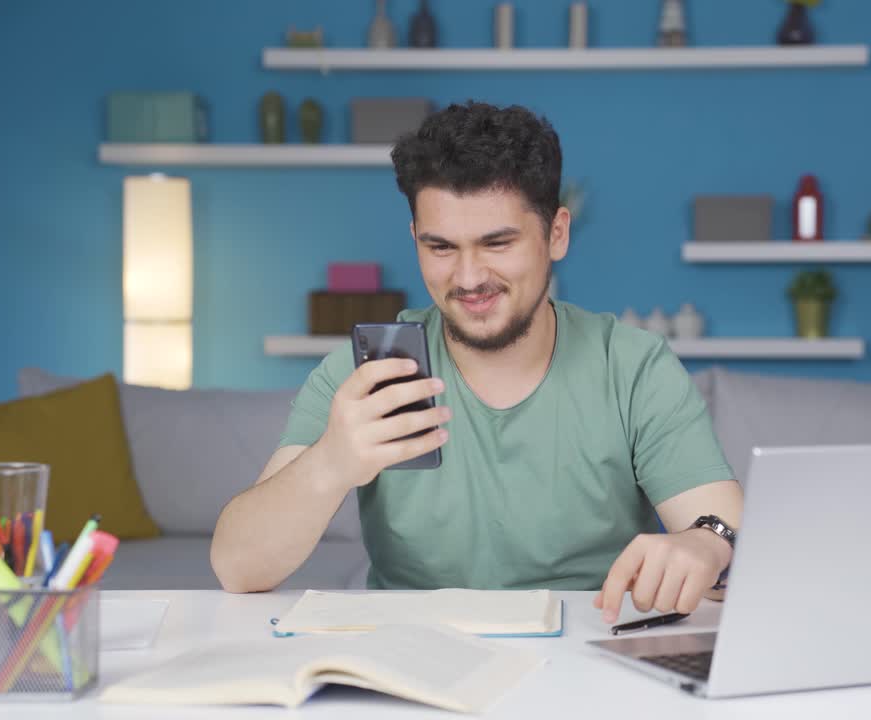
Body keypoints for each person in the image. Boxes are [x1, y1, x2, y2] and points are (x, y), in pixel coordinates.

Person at [211, 101, 743, 624]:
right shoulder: (362, 375)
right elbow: (238, 568)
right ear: (415, 238)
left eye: (497, 243)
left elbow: (732, 541)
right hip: (410, 658)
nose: (467, 278)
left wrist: (706, 545)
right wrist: (332, 461)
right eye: (441, 247)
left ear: (556, 234)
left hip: (591, 649)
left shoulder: (632, 367)